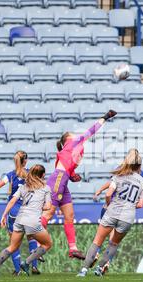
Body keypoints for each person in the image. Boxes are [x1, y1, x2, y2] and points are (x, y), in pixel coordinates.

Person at [41, 110, 118, 260]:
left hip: (62, 180)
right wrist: (105, 117)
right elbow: (92, 130)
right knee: (49, 213)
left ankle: (73, 249)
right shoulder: (74, 142)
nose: (74, 135)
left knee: (69, 215)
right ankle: (36, 240)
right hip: (58, 179)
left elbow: (65, 168)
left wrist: (72, 175)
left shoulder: (70, 150)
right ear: (67, 139)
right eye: (71, 134)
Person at [77, 149, 143, 277]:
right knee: (114, 244)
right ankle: (99, 268)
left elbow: (109, 194)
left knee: (97, 241)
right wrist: (129, 206)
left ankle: (83, 270)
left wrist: (110, 204)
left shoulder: (119, 175)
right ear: (140, 165)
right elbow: (141, 204)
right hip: (128, 217)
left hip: (112, 212)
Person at [0, 165, 52, 276]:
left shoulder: (23, 187)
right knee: (47, 244)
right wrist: (38, 206)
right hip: (32, 220)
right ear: (42, 175)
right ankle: (27, 263)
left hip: (20, 219)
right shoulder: (45, 188)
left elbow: (12, 201)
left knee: (13, 246)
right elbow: (48, 206)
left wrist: (4, 215)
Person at [0, 151, 41, 275]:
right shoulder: (31, 173)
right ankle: (34, 266)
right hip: (27, 210)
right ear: (25, 161)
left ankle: (18, 270)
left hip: (13, 210)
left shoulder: (10, 175)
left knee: (14, 242)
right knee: (31, 237)